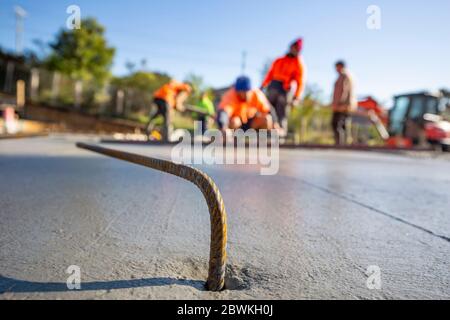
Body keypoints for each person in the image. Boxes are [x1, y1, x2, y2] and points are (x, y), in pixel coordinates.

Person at [261, 38, 306, 133]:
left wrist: (297, 97)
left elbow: (300, 82)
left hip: (285, 90)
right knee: (267, 109)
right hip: (273, 87)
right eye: (293, 48)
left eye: (296, 49)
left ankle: (281, 133)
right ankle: (269, 130)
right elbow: (270, 73)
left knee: (282, 112)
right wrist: (263, 85)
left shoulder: (298, 63)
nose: (294, 50)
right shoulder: (279, 60)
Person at [331, 60, 357, 145]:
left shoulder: (344, 76)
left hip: (342, 106)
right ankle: (343, 143)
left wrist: (338, 103)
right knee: (343, 125)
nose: (336, 69)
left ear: (341, 66)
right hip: (346, 105)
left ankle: (339, 144)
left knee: (336, 124)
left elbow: (343, 90)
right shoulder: (348, 75)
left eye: (337, 67)